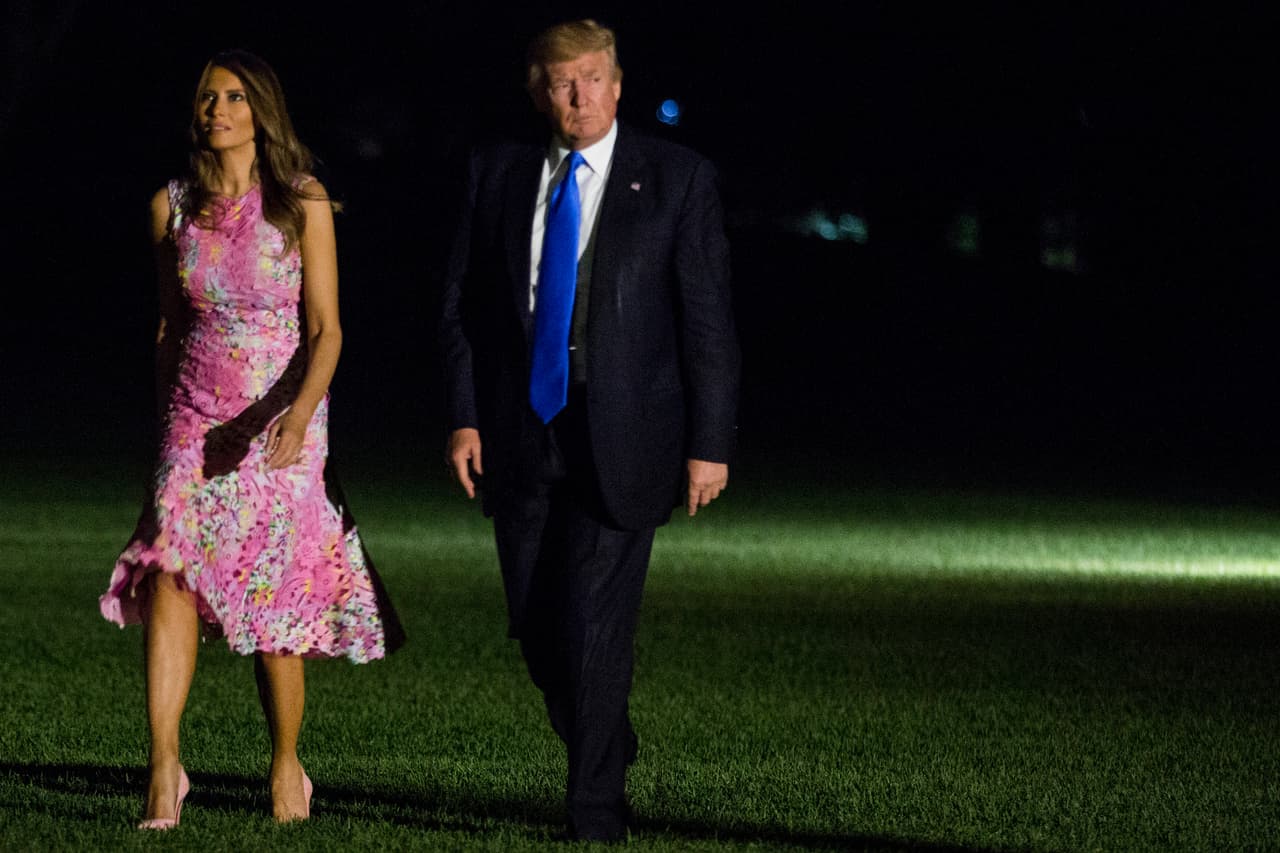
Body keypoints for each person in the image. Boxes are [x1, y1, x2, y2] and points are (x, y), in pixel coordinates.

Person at [438, 19, 740, 842]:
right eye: (563, 81)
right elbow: (462, 306)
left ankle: (595, 809)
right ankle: (608, 738)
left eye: (596, 77)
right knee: (539, 630)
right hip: (517, 430)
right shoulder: (496, 169)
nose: (582, 96)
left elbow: (707, 320)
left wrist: (709, 441)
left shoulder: (677, 179)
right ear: (538, 89)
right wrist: (464, 415)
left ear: (618, 82)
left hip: (629, 434)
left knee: (595, 624)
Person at [99, 49, 402, 829]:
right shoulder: (171, 206)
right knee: (167, 572)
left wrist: (296, 418)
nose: (217, 109)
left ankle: (285, 762)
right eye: (207, 97)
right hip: (193, 419)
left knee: (273, 599)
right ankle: (164, 768)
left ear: (261, 111)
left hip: (282, 420)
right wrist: (169, 426)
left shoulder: (302, 202)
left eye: (234, 96)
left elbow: (328, 330)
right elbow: (170, 322)